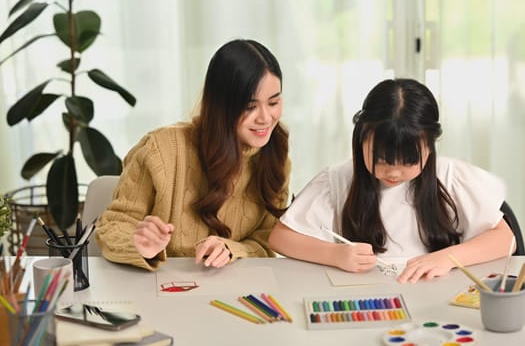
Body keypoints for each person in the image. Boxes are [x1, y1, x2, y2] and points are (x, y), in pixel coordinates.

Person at [269, 78, 515, 283]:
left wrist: (447, 258)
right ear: (361, 140)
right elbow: (281, 238)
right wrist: (336, 254)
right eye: (383, 160)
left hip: (437, 302)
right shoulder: (338, 180)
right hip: (369, 302)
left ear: (430, 146)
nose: (394, 173)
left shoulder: (450, 177)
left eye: (408, 162)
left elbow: (506, 239)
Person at [96, 39, 290, 271]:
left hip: (231, 293)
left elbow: (266, 242)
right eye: (250, 106)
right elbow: (113, 226)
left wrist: (233, 249)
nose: (265, 118)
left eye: (274, 102)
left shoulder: (275, 157)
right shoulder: (160, 149)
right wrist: (138, 244)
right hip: (160, 290)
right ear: (221, 106)